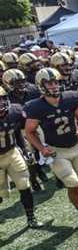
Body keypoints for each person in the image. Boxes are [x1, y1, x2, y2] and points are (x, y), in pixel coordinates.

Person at [24, 68, 78, 226]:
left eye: (56, 82)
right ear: (41, 85)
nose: (54, 86)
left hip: (75, 146)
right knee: (73, 183)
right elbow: (29, 132)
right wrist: (41, 149)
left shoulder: (71, 97)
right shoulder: (35, 106)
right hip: (56, 151)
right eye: (50, 83)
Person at [0, 87, 43, 228]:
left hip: (12, 153)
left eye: (2, 99)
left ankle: (31, 218)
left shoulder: (15, 110)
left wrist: (24, 150)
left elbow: (17, 131)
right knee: (1, 192)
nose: (1, 103)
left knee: (24, 185)